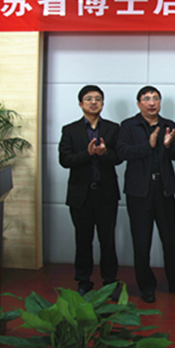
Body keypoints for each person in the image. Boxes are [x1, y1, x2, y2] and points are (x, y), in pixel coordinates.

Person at [117, 85, 175, 303]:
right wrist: (147, 145)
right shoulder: (128, 125)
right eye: (147, 98)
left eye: (155, 98)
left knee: (170, 240)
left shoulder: (169, 125)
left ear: (160, 102)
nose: (151, 102)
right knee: (142, 241)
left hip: (164, 189)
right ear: (139, 103)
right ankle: (146, 286)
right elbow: (122, 152)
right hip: (139, 192)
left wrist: (168, 145)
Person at [59, 85, 122, 301]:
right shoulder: (70, 130)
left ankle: (110, 282)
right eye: (88, 99)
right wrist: (86, 154)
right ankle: (84, 282)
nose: (93, 102)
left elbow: (119, 157)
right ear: (80, 104)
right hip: (80, 195)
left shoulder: (113, 128)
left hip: (106, 194)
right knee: (83, 240)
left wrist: (104, 153)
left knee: (108, 240)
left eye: (97, 99)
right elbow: (64, 160)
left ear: (102, 104)